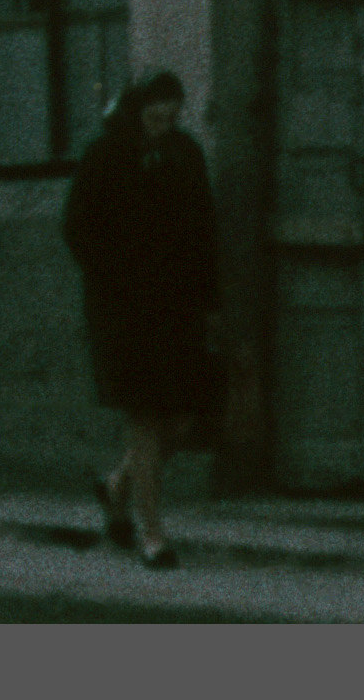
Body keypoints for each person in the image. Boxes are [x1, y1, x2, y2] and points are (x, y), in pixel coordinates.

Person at [59, 69, 221, 570]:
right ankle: (152, 533)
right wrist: (115, 275)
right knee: (146, 418)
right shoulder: (105, 156)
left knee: (185, 418)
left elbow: (205, 228)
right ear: (136, 108)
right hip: (125, 309)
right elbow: (76, 227)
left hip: (177, 307)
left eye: (172, 112)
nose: (164, 120)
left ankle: (116, 486)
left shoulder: (186, 153)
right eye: (155, 111)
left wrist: (208, 301)